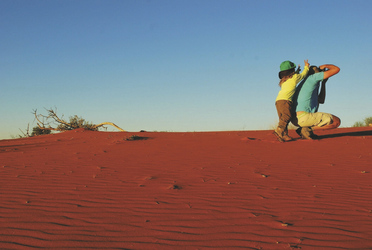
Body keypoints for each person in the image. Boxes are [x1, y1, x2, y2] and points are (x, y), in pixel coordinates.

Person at [292, 64, 341, 139]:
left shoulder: (308, 83)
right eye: (318, 69)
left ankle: (305, 129)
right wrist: (325, 66)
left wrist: (323, 83)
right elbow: (336, 69)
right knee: (336, 121)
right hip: (304, 117)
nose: (321, 71)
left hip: (296, 119)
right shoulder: (313, 78)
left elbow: (321, 100)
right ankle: (307, 130)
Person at [274, 60, 309, 142]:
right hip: (286, 101)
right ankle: (279, 130)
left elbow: (293, 75)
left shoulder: (284, 80)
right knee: (287, 116)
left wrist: (298, 70)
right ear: (292, 71)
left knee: (282, 118)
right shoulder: (295, 78)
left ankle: (284, 135)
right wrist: (306, 67)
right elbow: (303, 75)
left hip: (278, 101)